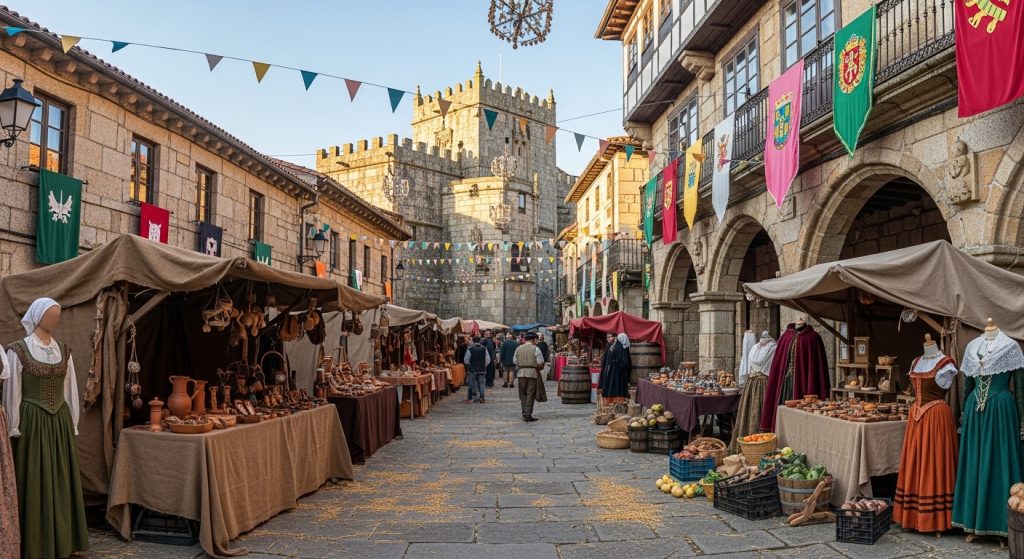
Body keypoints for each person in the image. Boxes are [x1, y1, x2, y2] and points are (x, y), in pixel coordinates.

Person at [2, 298, 88, 558]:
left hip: (59, 422)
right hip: (32, 423)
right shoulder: (18, 350)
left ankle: (63, 541)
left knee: (61, 478)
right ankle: (36, 544)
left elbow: (70, 389)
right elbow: (12, 392)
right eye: (51, 315)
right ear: (37, 317)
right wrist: (13, 427)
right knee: (35, 478)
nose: (55, 319)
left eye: (57, 315)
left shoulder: (64, 349)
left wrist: (72, 422)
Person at [514, 332, 546, 422]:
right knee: (530, 394)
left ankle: (524, 412)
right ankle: (528, 414)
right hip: (532, 373)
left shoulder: (518, 348)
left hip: (521, 373)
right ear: (534, 339)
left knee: (523, 394)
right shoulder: (535, 348)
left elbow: (515, 361)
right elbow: (540, 361)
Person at [598, 333, 631, 405]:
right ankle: (610, 403)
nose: (608, 339)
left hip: (616, 372)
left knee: (616, 387)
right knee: (611, 386)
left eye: (610, 337)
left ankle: (617, 404)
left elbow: (624, 362)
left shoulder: (620, 347)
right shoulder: (612, 346)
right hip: (611, 371)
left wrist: (614, 363)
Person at [463, 336, 490, 404]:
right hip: (482, 369)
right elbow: (488, 360)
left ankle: (470, 398)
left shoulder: (470, 349)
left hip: (472, 370)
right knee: (481, 384)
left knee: (471, 385)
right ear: (480, 341)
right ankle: (482, 398)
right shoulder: (484, 349)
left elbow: (466, 360)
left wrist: (469, 365)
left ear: (473, 341)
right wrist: (484, 365)